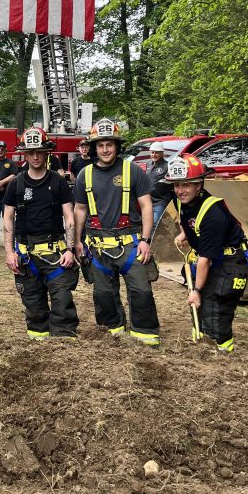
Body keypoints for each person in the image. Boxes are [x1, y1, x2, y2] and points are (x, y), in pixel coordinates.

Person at [73, 118, 160, 346]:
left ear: (117, 146)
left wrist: (146, 240)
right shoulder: (85, 175)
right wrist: (76, 241)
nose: (105, 149)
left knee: (141, 291)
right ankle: (112, 332)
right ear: (94, 147)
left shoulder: (133, 171)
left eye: (109, 144)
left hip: (131, 244)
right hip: (98, 246)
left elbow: (147, 205)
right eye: (100, 145)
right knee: (103, 294)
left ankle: (145, 334)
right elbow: (79, 209)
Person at [166, 154, 248, 353]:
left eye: (186, 185)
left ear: (199, 185)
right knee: (199, 305)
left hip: (230, 261)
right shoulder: (180, 199)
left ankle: (221, 352)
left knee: (214, 306)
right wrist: (185, 233)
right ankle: (203, 345)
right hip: (210, 257)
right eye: (176, 185)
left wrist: (196, 290)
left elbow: (205, 259)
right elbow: (186, 218)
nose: (180, 190)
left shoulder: (214, 215)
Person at [3, 128, 79, 340]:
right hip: (26, 256)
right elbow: (7, 219)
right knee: (34, 306)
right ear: (25, 155)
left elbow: (69, 217)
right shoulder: (16, 184)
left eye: (39, 152)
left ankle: (64, 341)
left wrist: (70, 250)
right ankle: (38, 342)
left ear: (47, 153)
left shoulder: (58, 182)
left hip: (56, 254)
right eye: (31, 152)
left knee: (62, 300)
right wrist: (9, 252)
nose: (35, 156)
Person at [146, 141, 173, 228]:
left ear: (162, 153)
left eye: (156, 153)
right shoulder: (148, 164)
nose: (154, 155)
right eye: (152, 152)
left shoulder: (167, 166)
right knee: (147, 223)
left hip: (160, 201)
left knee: (155, 224)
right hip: (148, 200)